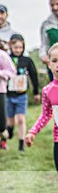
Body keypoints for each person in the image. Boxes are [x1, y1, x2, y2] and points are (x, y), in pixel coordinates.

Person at [25, 43, 58, 172]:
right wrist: (33, 131)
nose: (57, 65)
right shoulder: (47, 90)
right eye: (54, 61)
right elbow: (46, 115)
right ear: (48, 64)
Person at [6, 34, 40, 152]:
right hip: (8, 94)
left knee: (21, 119)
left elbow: (33, 75)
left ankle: (21, 144)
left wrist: (36, 92)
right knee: (10, 121)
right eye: (16, 47)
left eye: (20, 47)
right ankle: (9, 130)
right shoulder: (6, 58)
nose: (18, 50)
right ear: (11, 47)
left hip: (22, 94)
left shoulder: (27, 60)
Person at [39, 0, 58, 82]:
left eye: (57, 4)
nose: (54, 8)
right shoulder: (46, 25)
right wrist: (43, 56)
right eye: (52, 5)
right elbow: (44, 45)